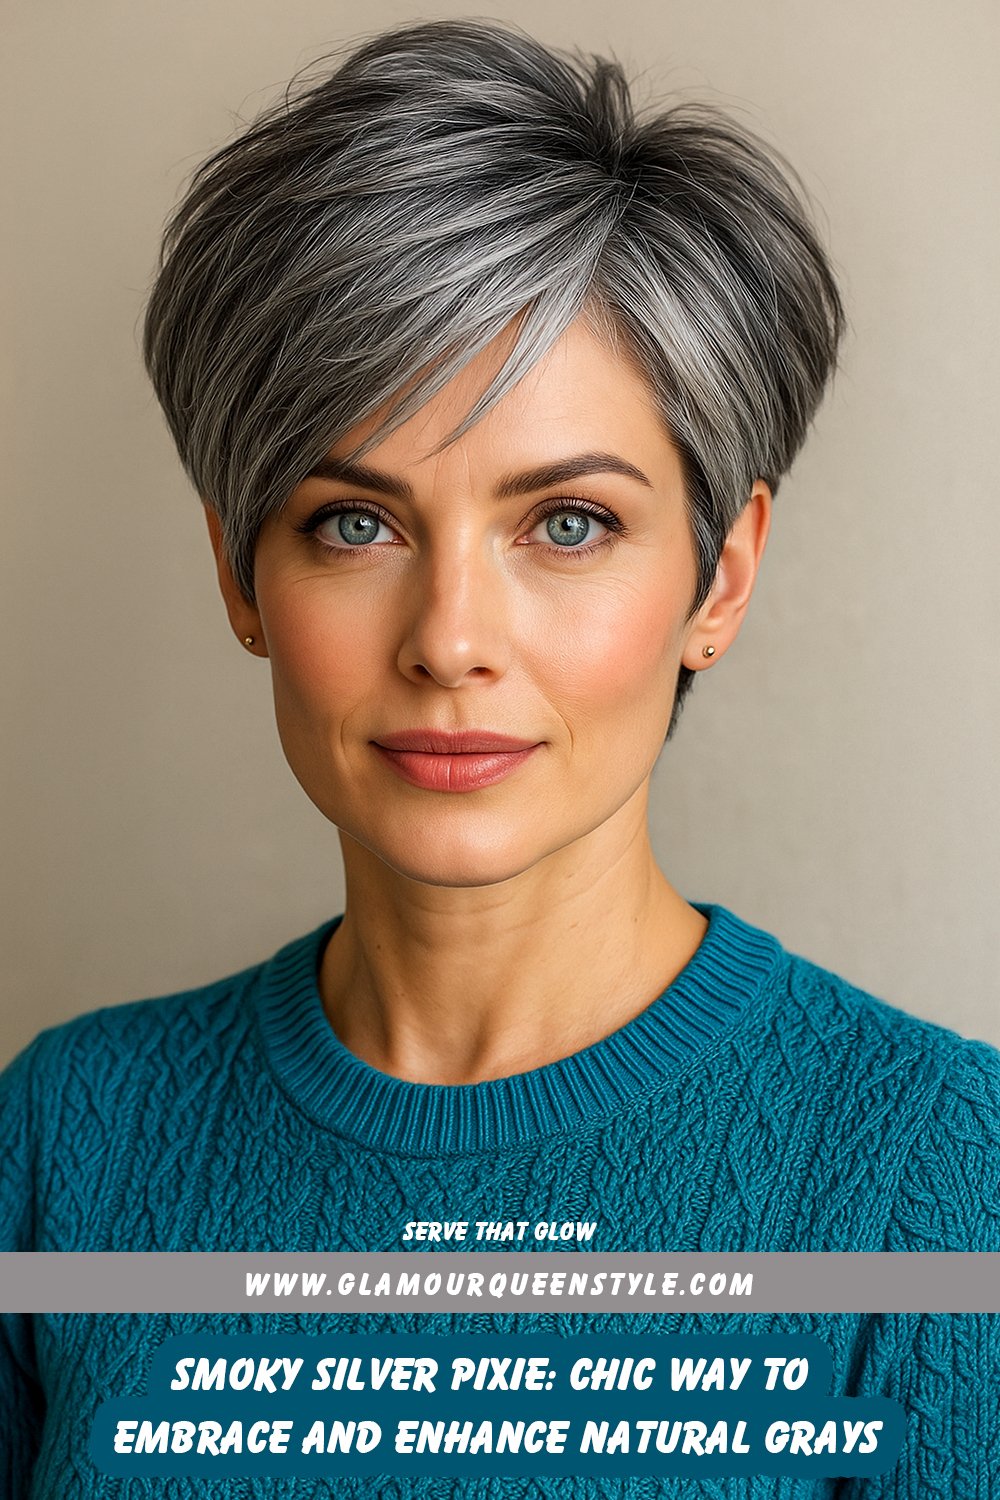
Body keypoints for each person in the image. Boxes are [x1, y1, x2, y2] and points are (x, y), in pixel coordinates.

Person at [2, 17, 998, 1498]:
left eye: (569, 523)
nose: (451, 638)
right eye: (357, 523)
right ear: (239, 575)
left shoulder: (935, 1182)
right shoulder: (64, 1146)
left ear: (719, 579)